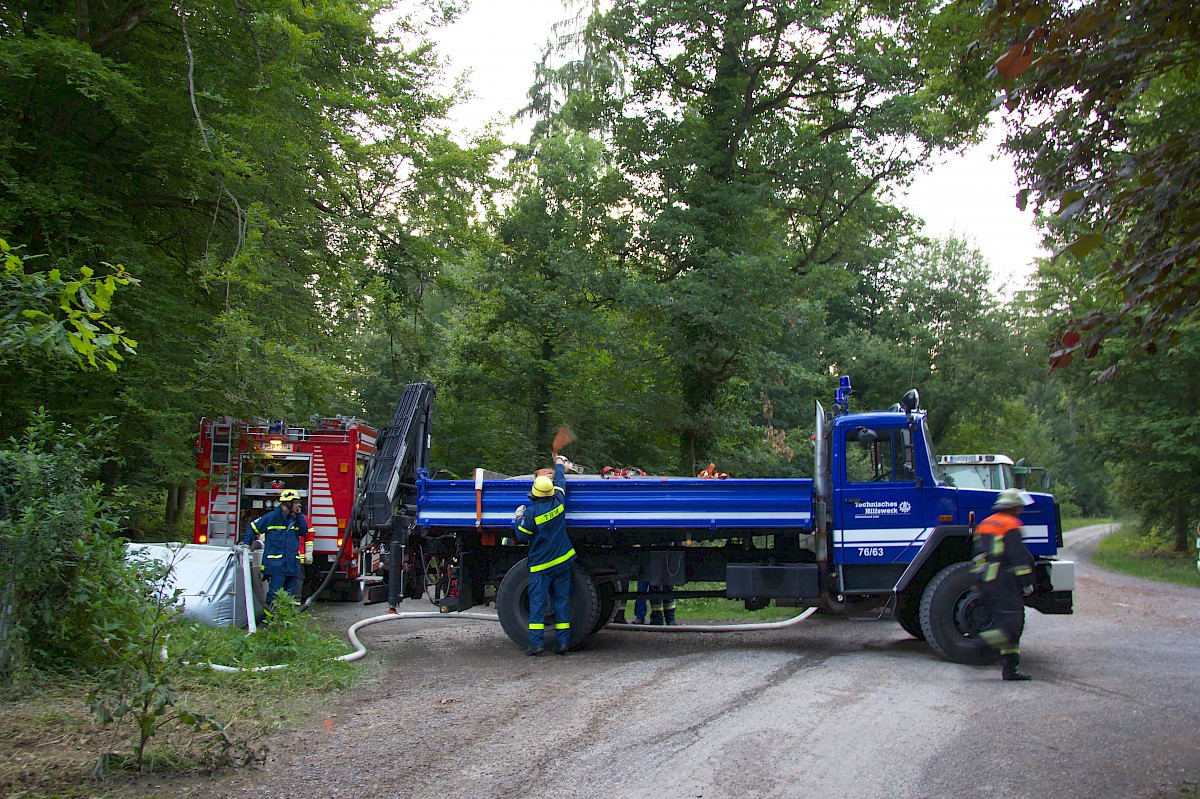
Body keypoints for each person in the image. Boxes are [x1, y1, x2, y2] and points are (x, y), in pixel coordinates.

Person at [971, 487, 1036, 681]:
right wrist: (1026, 583)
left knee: (1005, 622)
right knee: (1013, 626)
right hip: (1004, 581)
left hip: (985, 580)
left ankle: (1010, 670)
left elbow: (977, 554)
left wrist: (977, 582)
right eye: (1019, 507)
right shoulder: (1011, 524)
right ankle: (980, 645)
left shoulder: (984, 524)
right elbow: (1017, 557)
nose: (1021, 510)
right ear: (1014, 507)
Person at [513, 455, 575, 656]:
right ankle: (563, 643)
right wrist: (560, 465)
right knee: (562, 602)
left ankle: (536, 644)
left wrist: (518, 518)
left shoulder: (531, 514)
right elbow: (561, 481)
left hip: (542, 567)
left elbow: (521, 536)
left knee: (538, 605)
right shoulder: (559, 501)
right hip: (563, 562)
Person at [242, 488, 315, 608]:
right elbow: (253, 527)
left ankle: (286, 622)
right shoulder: (271, 517)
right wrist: (246, 545)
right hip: (276, 565)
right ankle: (271, 621)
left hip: (291, 565)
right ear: (288, 503)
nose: (298, 505)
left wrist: (299, 515)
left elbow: (304, 530)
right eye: (296, 502)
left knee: (290, 597)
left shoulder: (296, 520)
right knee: (274, 596)